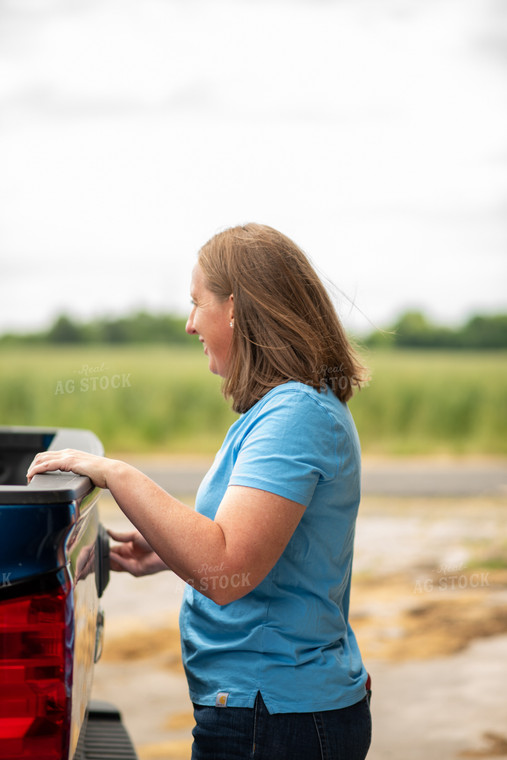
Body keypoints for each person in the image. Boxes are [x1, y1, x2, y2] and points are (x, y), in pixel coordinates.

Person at [27, 223, 372, 760]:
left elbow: (224, 565)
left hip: (276, 719)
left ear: (235, 308)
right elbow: (255, 545)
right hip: (273, 713)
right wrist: (164, 549)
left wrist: (117, 474)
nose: (190, 325)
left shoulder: (296, 414)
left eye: (197, 303)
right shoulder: (290, 407)